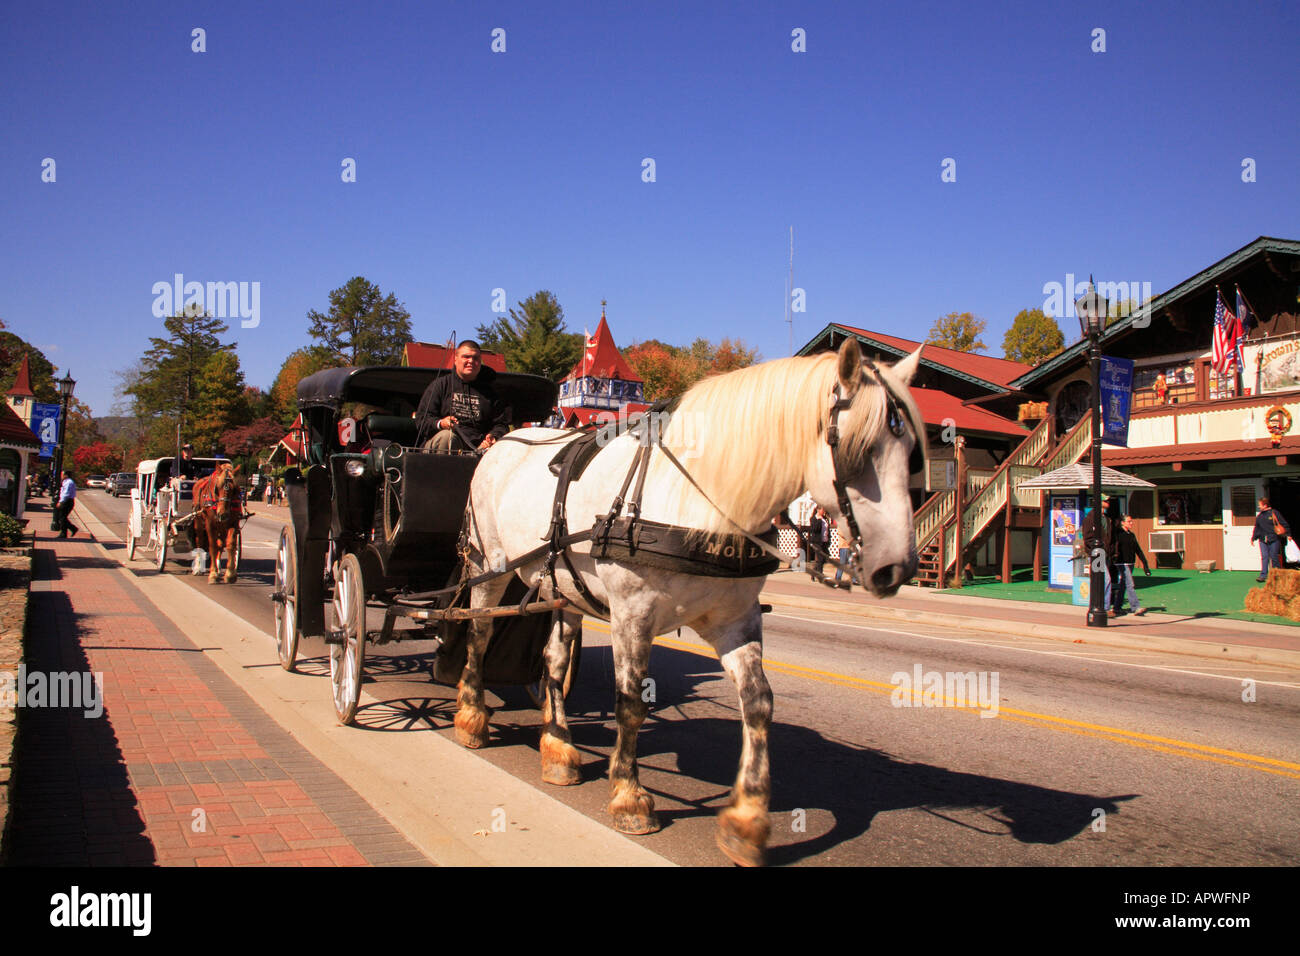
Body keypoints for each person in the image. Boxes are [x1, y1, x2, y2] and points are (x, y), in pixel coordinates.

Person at [415, 340, 512, 453]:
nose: (471, 361)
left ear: (480, 362)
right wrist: (441, 423)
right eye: (466, 357)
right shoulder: (440, 385)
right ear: (456, 359)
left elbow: (501, 425)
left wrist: (493, 436)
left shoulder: (491, 393)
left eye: (475, 358)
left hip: (478, 449)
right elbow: (421, 420)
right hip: (441, 448)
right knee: (447, 438)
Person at [1110, 514, 1151, 616]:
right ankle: (1135, 607)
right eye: (1129, 521)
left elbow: (1138, 549)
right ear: (1123, 522)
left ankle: (1117, 607)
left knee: (1123, 585)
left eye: (1131, 521)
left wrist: (1145, 564)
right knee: (1129, 583)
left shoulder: (1131, 535)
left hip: (1130, 562)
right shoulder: (1118, 534)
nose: (1131, 523)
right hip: (1121, 562)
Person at [1080, 494, 1114, 615]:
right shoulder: (1090, 518)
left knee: (1101, 580)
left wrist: (1111, 550)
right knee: (1105, 580)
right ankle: (1102, 607)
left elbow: (1109, 537)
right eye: (1105, 500)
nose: (1108, 502)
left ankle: (1100, 606)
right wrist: (1095, 550)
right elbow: (1087, 537)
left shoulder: (1106, 519)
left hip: (1105, 554)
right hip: (1096, 554)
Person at [1253, 498, 1292, 582]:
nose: (1258, 506)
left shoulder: (1274, 513)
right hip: (1262, 540)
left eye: (1260, 504)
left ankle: (1277, 575)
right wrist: (1253, 538)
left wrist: (1288, 534)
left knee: (1274, 557)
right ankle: (1263, 575)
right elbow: (1257, 528)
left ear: (1265, 505)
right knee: (1264, 557)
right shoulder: (1259, 516)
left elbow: (1284, 523)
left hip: (1274, 539)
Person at [55, 469, 78, 539]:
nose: (61, 476)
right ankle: (71, 529)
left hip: (67, 501)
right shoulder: (65, 482)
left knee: (62, 517)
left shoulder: (69, 482)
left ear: (66, 475)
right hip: (66, 501)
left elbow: (66, 493)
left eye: (62, 474)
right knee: (62, 518)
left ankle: (65, 532)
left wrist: (61, 501)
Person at [809, 506, 831, 574]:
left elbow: (827, 529)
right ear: (818, 510)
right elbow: (814, 530)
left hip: (824, 541)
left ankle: (814, 570)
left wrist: (829, 538)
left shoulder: (825, 518)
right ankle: (820, 575)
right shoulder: (814, 518)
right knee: (820, 558)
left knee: (825, 559)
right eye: (822, 510)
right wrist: (819, 520)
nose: (824, 511)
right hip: (817, 541)